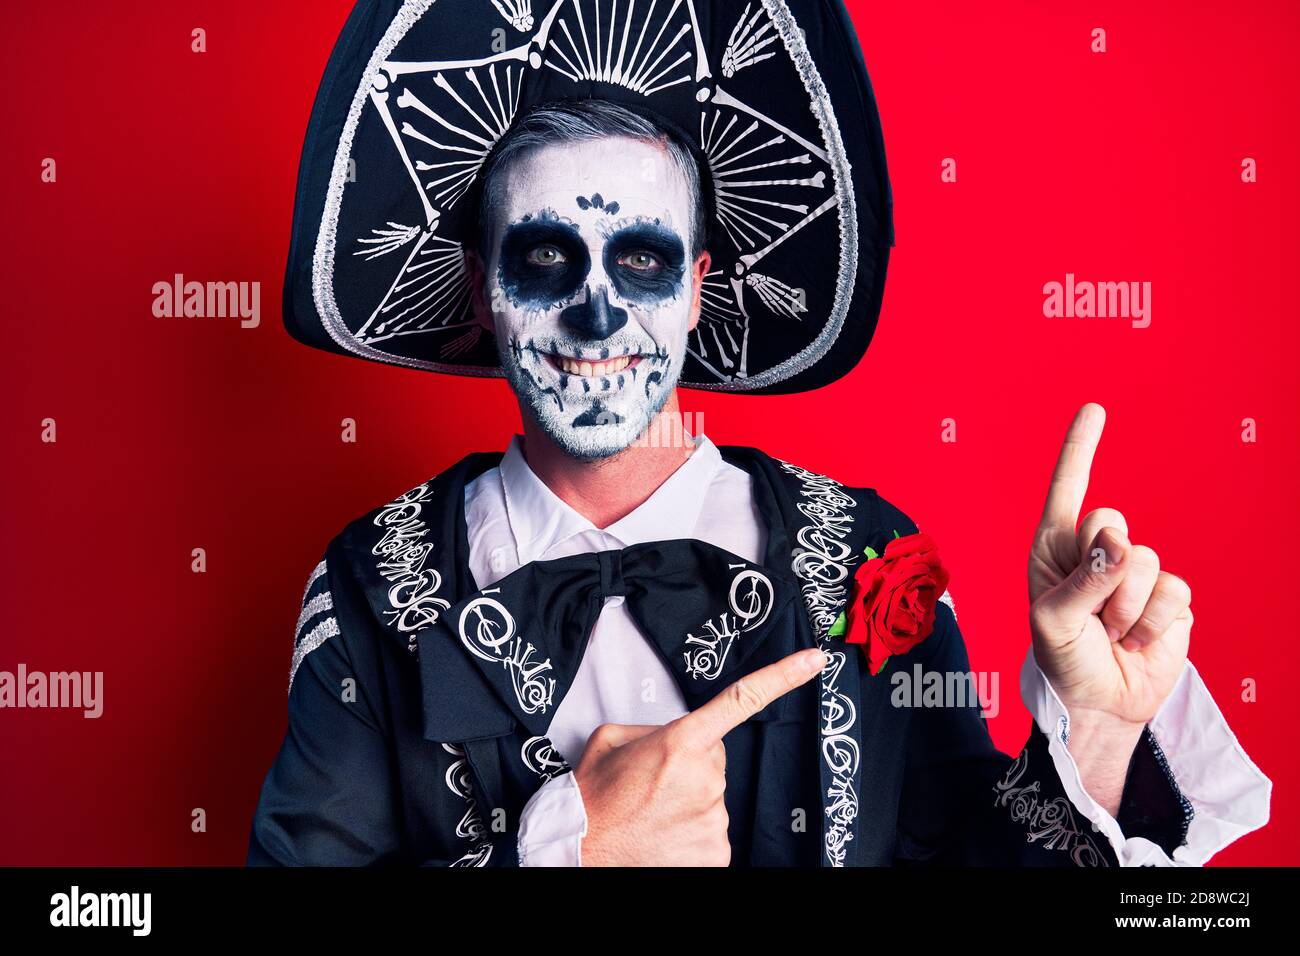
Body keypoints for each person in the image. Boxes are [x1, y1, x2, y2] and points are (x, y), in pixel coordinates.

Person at [249, 0, 1269, 866]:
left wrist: (1095, 725)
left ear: (697, 290)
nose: (599, 316)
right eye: (548, 257)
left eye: (643, 262)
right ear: (482, 287)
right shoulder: (372, 586)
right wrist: (562, 846)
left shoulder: (871, 559)